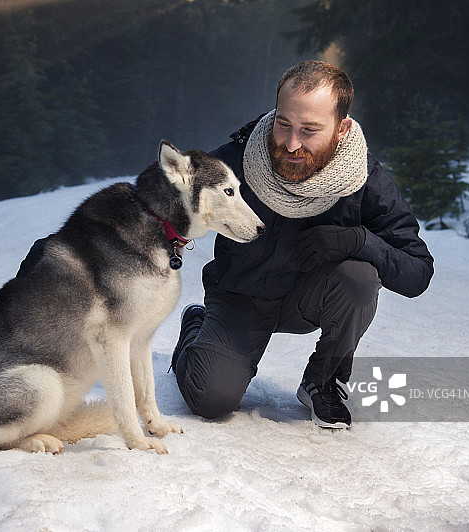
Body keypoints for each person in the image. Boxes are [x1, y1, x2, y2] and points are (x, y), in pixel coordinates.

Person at [170, 60, 434, 428]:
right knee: (210, 399)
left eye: (310, 130)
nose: (292, 143)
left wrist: (357, 239)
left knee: (359, 277)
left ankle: (322, 381)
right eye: (283, 124)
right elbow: (166, 203)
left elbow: (417, 273)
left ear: (341, 129)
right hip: (240, 295)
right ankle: (196, 328)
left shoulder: (364, 179)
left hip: (307, 299)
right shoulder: (237, 160)